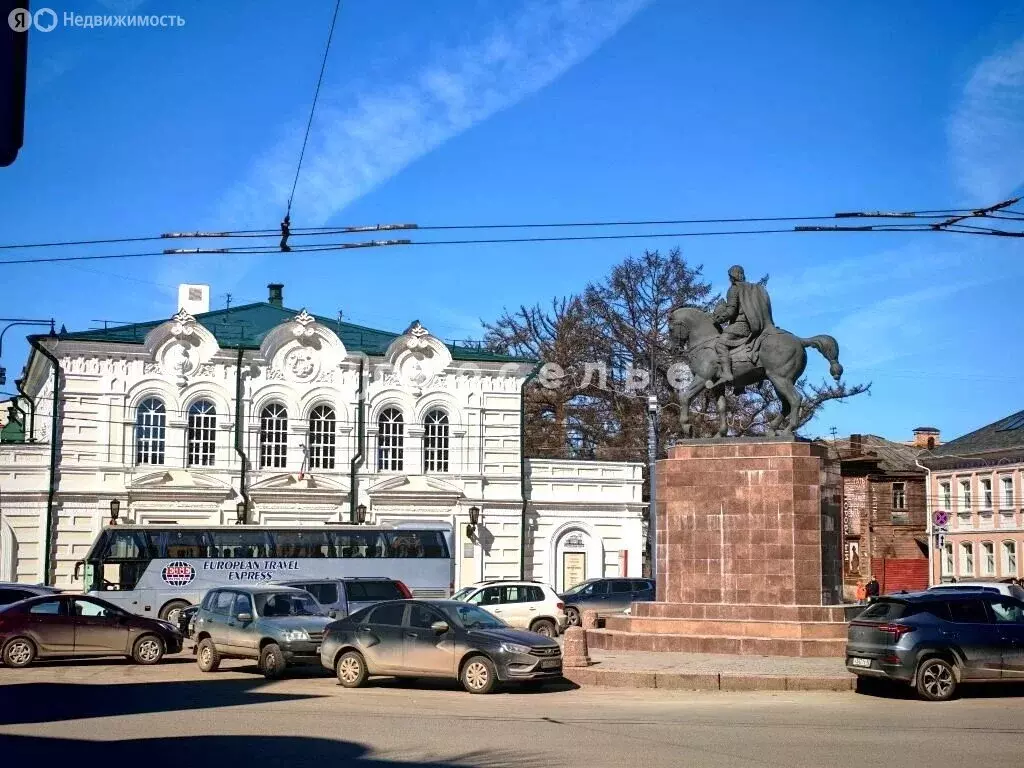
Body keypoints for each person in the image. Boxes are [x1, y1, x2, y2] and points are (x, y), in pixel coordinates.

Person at [712, 265, 776, 386]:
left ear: (732, 276)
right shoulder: (753, 288)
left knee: (720, 343)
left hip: (740, 326)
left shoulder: (734, 289)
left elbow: (731, 311)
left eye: (730, 277)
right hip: (754, 325)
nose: (729, 279)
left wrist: (719, 318)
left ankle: (726, 373)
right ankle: (740, 385)